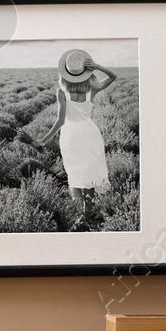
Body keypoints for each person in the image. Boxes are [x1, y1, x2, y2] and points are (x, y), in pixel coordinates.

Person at [44, 48, 117, 231]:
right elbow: (113, 76)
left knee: (75, 172)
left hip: (70, 135)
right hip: (90, 133)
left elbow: (60, 121)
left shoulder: (61, 92)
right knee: (90, 173)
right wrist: (98, 67)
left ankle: (81, 215)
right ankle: (86, 214)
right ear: (86, 72)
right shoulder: (92, 89)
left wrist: (43, 140)